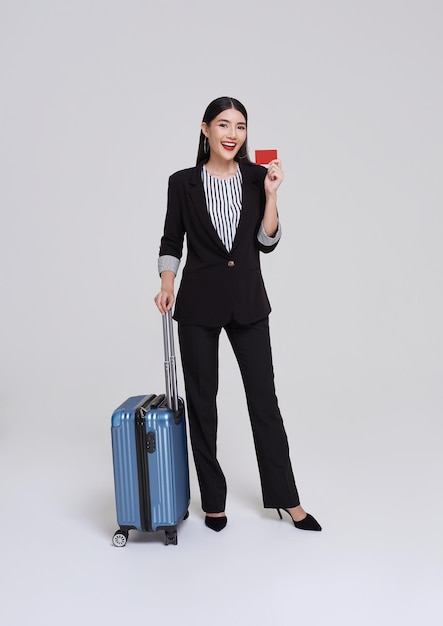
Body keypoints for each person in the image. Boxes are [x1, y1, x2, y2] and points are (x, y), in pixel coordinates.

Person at [154, 96, 321, 533]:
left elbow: (267, 242)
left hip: (247, 301)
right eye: (224, 125)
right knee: (203, 404)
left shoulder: (257, 176)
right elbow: (172, 240)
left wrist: (271, 195)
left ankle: (287, 499)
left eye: (241, 126)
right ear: (205, 129)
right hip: (198, 304)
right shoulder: (182, 182)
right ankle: (213, 502)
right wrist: (167, 284)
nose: (233, 134)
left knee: (264, 401)